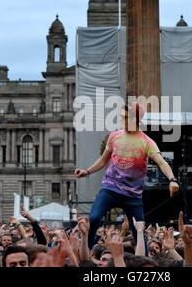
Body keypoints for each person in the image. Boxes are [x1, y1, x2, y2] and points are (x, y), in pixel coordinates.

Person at [74, 102, 180, 248]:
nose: (121, 120)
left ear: (135, 119)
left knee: (139, 231)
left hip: (133, 195)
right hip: (110, 188)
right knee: (94, 217)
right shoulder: (114, 136)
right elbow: (104, 159)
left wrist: (172, 179)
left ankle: (145, 263)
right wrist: (87, 171)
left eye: (124, 117)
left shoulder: (146, 142)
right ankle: (88, 254)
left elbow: (161, 162)